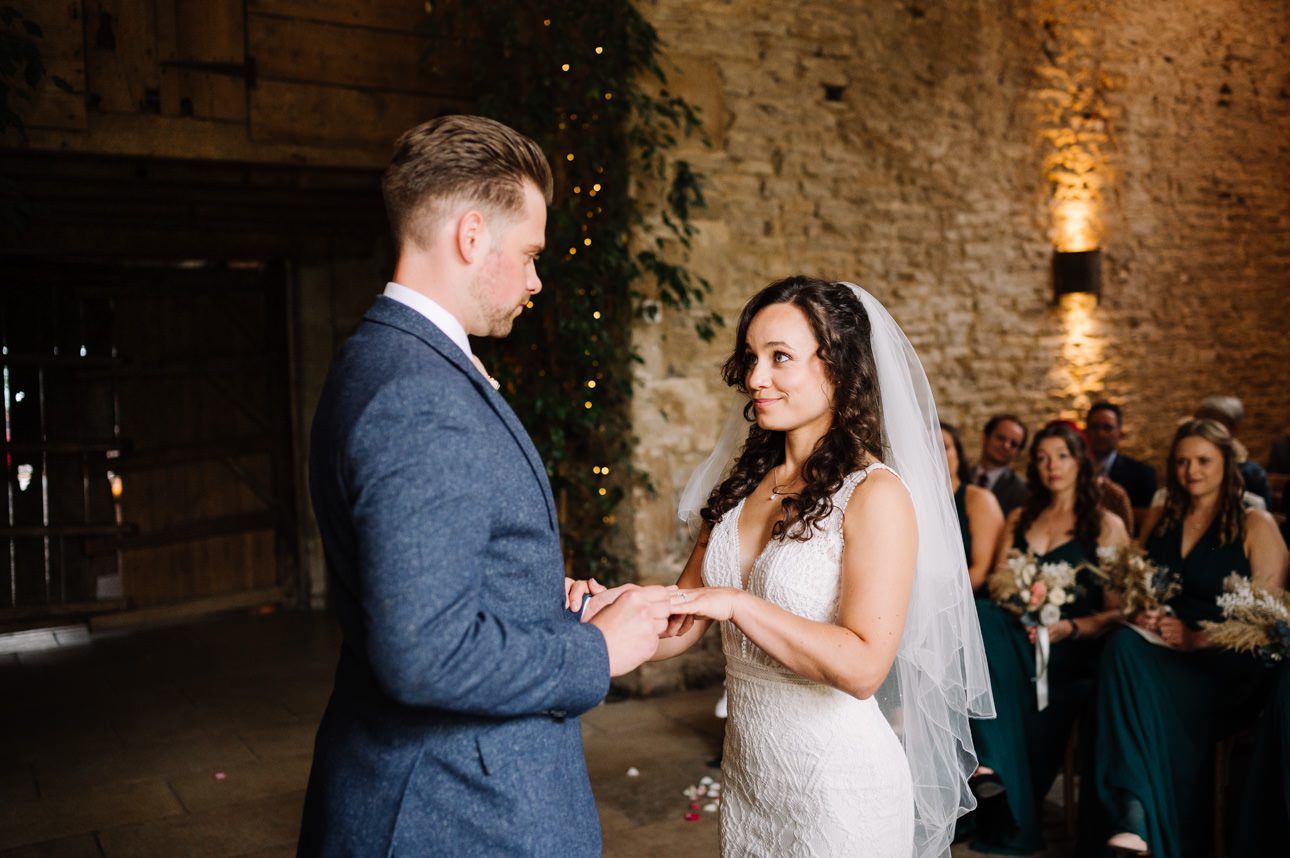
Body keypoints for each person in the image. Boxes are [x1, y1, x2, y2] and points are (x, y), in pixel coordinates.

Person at [297, 115, 674, 857]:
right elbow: (424, 654)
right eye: (531, 253)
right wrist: (596, 651)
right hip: (453, 810)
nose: (537, 280)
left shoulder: (384, 356)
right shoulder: (418, 392)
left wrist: (537, 598)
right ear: (473, 236)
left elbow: (422, 582)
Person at [657, 276, 993, 857]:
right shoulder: (740, 489)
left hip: (839, 791)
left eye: (779, 358)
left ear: (836, 368)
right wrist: (599, 611)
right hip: (752, 786)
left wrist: (738, 604)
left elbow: (864, 665)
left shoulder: (875, 495)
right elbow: (681, 619)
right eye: (751, 358)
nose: (756, 378)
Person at [1080, 419, 1288, 858]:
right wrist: (1144, 612)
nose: (1190, 470)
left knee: (1125, 664)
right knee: (1121, 645)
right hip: (1162, 652)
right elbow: (1135, 586)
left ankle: (1135, 815)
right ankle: (1133, 814)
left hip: (1226, 663)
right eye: (1181, 461)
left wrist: (1196, 638)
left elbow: (1270, 623)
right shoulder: (1159, 518)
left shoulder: (1256, 523)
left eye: (1203, 460)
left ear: (1227, 463)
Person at [967, 422, 1129, 855]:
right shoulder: (1021, 517)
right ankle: (988, 771)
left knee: (987, 631)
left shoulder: (1107, 526)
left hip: (1070, 648)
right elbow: (999, 586)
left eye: (1061, 455)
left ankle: (989, 772)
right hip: (1019, 634)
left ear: (1080, 460)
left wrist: (1071, 628)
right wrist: (1022, 599)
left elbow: (1119, 609)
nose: (1050, 466)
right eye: (1041, 458)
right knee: (983, 614)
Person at [942, 421, 1005, 592]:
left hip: (969, 601)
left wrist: (940, 604)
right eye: (926, 446)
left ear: (958, 454)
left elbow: (981, 570)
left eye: (944, 446)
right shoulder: (910, 501)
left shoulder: (980, 499)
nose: (934, 452)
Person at [1195, 395, 1272, 508]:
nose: (1206, 430)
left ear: (1233, 429)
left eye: (1214, 425)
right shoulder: (1188, 467)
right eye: (1200, 423)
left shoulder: (1251, 474)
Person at [1085, 402, 1157, 515]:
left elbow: (1148, 517)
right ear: (1086, 432)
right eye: (1094, 427)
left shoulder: (1142, 474)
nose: (1100, 434)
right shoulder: (1074, 471)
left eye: (1107, 428)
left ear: (1120, 433)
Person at [973, 415, 1031, 517]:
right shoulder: (958, 476)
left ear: (1018, 452)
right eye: (1001, 438)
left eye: (1013, 444)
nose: (1006, 446)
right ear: (984, 437)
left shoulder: (1022, 492)